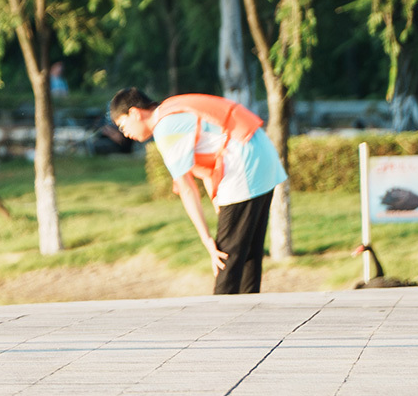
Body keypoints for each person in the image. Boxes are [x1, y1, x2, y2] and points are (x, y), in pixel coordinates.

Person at [109, 87, 289, 296]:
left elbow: (187, 188)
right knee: (248, 253)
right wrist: (219, 209)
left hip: (243, 164)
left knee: (225, 260)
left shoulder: (165, 128)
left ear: (134, 112)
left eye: (123, 126)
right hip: (262, 156)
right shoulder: (172, 110)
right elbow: (207, 170)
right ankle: (249, 319)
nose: (125, 134)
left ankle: (221, 324)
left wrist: (208, 241)